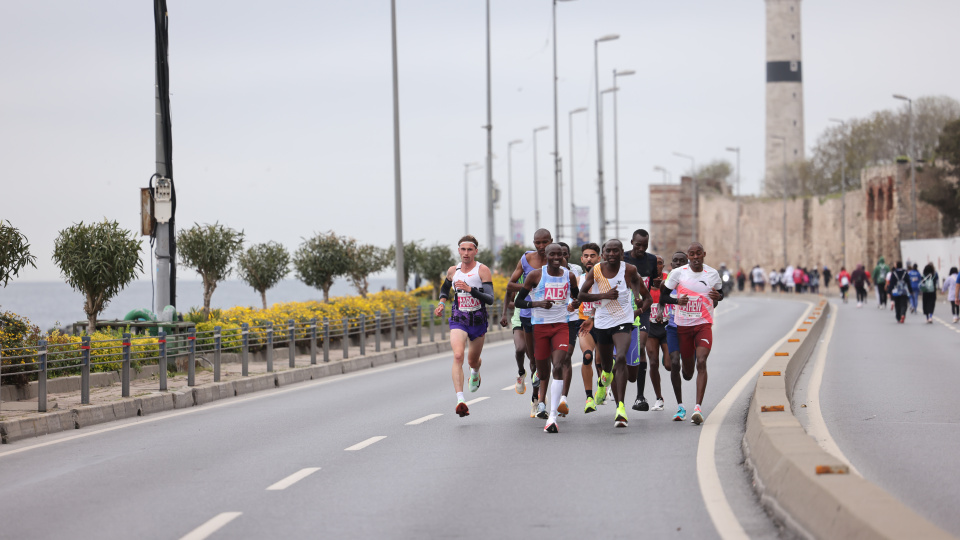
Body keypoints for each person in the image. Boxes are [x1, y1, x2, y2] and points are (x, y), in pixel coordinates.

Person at [578, 240, 652, 428]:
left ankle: (620, 408)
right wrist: (603, 296)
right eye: (608, 250)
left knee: (620, 358)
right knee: (606, 365)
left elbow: (647, 298)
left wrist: (636, 311)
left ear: (621, 253)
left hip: (623, 322)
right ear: (603, 253)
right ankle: (604, 381)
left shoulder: (629, 270)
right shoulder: (595, 270)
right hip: (602, 323)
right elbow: (581, 295)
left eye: (615, 250)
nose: (612, 253)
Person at [514, 243, 580, 433]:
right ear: (547, 255)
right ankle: (541, 396)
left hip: (561, 326)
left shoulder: (570, 275)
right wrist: (538, 303)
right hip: (540, 327)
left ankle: (552, 416)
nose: (557, 258)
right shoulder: (536, 275)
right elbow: (519, 301)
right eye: (553, 254)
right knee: (543, 372)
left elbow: (577, 298)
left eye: (560, 255)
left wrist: (575, 303)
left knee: (558, 365)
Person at [660, 242, 722, 425]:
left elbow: (720, 292)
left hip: (703, 323)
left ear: (704, 254)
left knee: (702, 361)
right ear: (689, 256)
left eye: (698, 254)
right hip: (683, 325)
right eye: (692, 254)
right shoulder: (678, 273)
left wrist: (719, 297)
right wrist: (677, 300)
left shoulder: (712, 274)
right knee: (686, 372)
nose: (695, 257)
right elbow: (664, 296)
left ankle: (697, 408)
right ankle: (681, 403)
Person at [435, 235, 495, 417]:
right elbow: (445, 288)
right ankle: (460, 400)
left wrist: (471, 290)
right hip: (458, 319)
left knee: (471, 360)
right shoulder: (454, 270)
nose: (466, 253)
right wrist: (442, 302)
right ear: (459, 250)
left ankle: (475, 371)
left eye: (470, 250)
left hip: (478, 320)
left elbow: (490, 299)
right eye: (463, 249)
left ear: (476, 251)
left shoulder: (482, 270)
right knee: (458, 355)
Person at [500, 229, 552, 417]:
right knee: (532, 359)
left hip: (550, 316)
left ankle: (539, 400)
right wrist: (531, 285)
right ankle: (533, 394)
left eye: (544, 242)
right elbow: (509, 286)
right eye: (537, 243)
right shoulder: (526, 259)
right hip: (527, 313)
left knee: (545, 359)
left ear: (551, 241)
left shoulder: (556, 259)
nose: (541, 246)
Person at [622, 229, 659, 412]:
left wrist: (643, 307)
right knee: (619, 351)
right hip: (621, 308)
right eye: (638, 245)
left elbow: (651, 284)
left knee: (640, 346)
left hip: (642, 309)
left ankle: (640, 396)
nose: (641, 249)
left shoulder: (651, 260)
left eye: (645, 245)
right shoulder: (622, 258)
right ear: (631, 242)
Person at [661, 251, 690, 421]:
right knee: (673, 362)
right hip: (672, 328)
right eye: (675, 261)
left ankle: (689, 367)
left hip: (691, 328)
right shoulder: (669, 282)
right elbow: (662, 299)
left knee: (687, 374)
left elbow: (713, 300)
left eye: (682, 261)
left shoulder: (692, 280)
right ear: (671, 264)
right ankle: (680, 406)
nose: (678, 263)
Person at [557, 241, 584, 416]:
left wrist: (576, 303)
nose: (561, 257)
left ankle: (563, 399)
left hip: (571, 319)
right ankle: (545, 395)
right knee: (553, 361)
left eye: (564, 253)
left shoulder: (576, 272)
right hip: (551, 320)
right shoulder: (543, 272)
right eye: (557, 253)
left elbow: (579, 294)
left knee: (566, 357)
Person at [575, 243, 602, 413]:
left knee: (603, 363)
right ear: (581, 259)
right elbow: (572, 299)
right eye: (586, 256)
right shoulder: (578, 280)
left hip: (604, 324)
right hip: (584, 324)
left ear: (599, 258)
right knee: (587, 357)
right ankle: (589, 398)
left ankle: (603, 384)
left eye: (592, 255)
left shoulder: (604, 278)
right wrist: (571, 306)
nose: (589, 259)